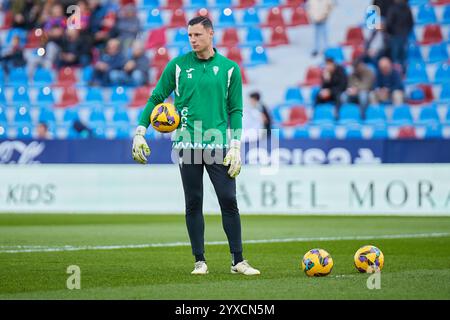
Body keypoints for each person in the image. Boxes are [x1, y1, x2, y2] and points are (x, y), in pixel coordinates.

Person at [131, 16, 260, 276]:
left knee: (228, 199)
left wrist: (235, 145)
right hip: (186, 144)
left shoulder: (229, 69)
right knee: (193, 201)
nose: (193, 39)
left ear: (211, 34)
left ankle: (238, 261)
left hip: (218, 145)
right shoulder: (177, 66)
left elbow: (235, 110)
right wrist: (140, 131)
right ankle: (199, 261)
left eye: (198, 35)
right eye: (189, 35)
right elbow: (156, 98)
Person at [385, 0, 414, 72]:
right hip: (404, 36)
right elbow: (411, 22)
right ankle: (403, 73)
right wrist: (406, 32)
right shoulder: (407, 8)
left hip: (395, 36)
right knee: (403, 57)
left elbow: (389, 23)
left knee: (395, 58)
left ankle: (397, 74)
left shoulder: (392, 8)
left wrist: (390, 33)